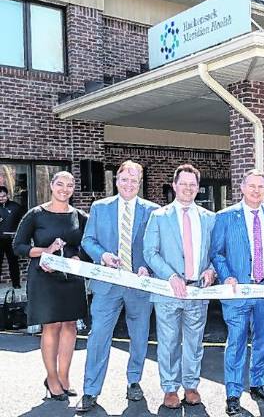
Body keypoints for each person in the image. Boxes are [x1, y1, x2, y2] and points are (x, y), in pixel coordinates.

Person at [76, 161, 159, 413]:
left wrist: (147, 266)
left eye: (134, 180)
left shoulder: (153, 211)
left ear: (140, 182)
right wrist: (102, 256)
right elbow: (88, 240)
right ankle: (90, 390)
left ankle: (134, 381)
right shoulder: (99, 208)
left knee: (139, 336)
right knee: (98, 337)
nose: (129, 184)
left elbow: (157, 245)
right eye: (124, 179)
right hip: (107, 284)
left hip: (138, 285)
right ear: (116, 180)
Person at [210, 169, 264, 416]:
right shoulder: (225, 217)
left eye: (261, 187)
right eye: (252, 186)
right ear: (242, 188)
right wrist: (226, 276)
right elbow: (217, 253)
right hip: (237, 290)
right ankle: (233, 393)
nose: (257, 191)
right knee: (236, 342)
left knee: (262, 340)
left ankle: (258, 384)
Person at [143, 164, 216, 409]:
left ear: (198, 187)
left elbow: (216, 253)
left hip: (197, 290)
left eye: (192, 184)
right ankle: (170, 388)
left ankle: (191, 385)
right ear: (174, 186)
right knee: (168, 341)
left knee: (195, 342)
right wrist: (170, 276)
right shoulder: (159, 216)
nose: (188, 188)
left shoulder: (209, 218)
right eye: (183, 184)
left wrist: (211, 271)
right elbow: (150, 252)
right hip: (168, 291)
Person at [12, 171, 89, 401]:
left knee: (70, 326)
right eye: (60, 184)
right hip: (44, 278)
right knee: (52, 326)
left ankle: (64, 377)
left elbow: (87, 245)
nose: (64, 189)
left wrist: (80, 259)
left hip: (71, 279)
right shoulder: (35, 214)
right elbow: (19, 246)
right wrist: (44, 252)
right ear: (52, 186)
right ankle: (52, 378)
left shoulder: (80, 216)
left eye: (70, 185)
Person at [0, 185, 25, 288]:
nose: (1, 198)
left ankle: (16, 283)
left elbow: (23, 222)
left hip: (11, 240)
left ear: (8, 195)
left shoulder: (16, 207)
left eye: (3, 196)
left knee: (13, 262)